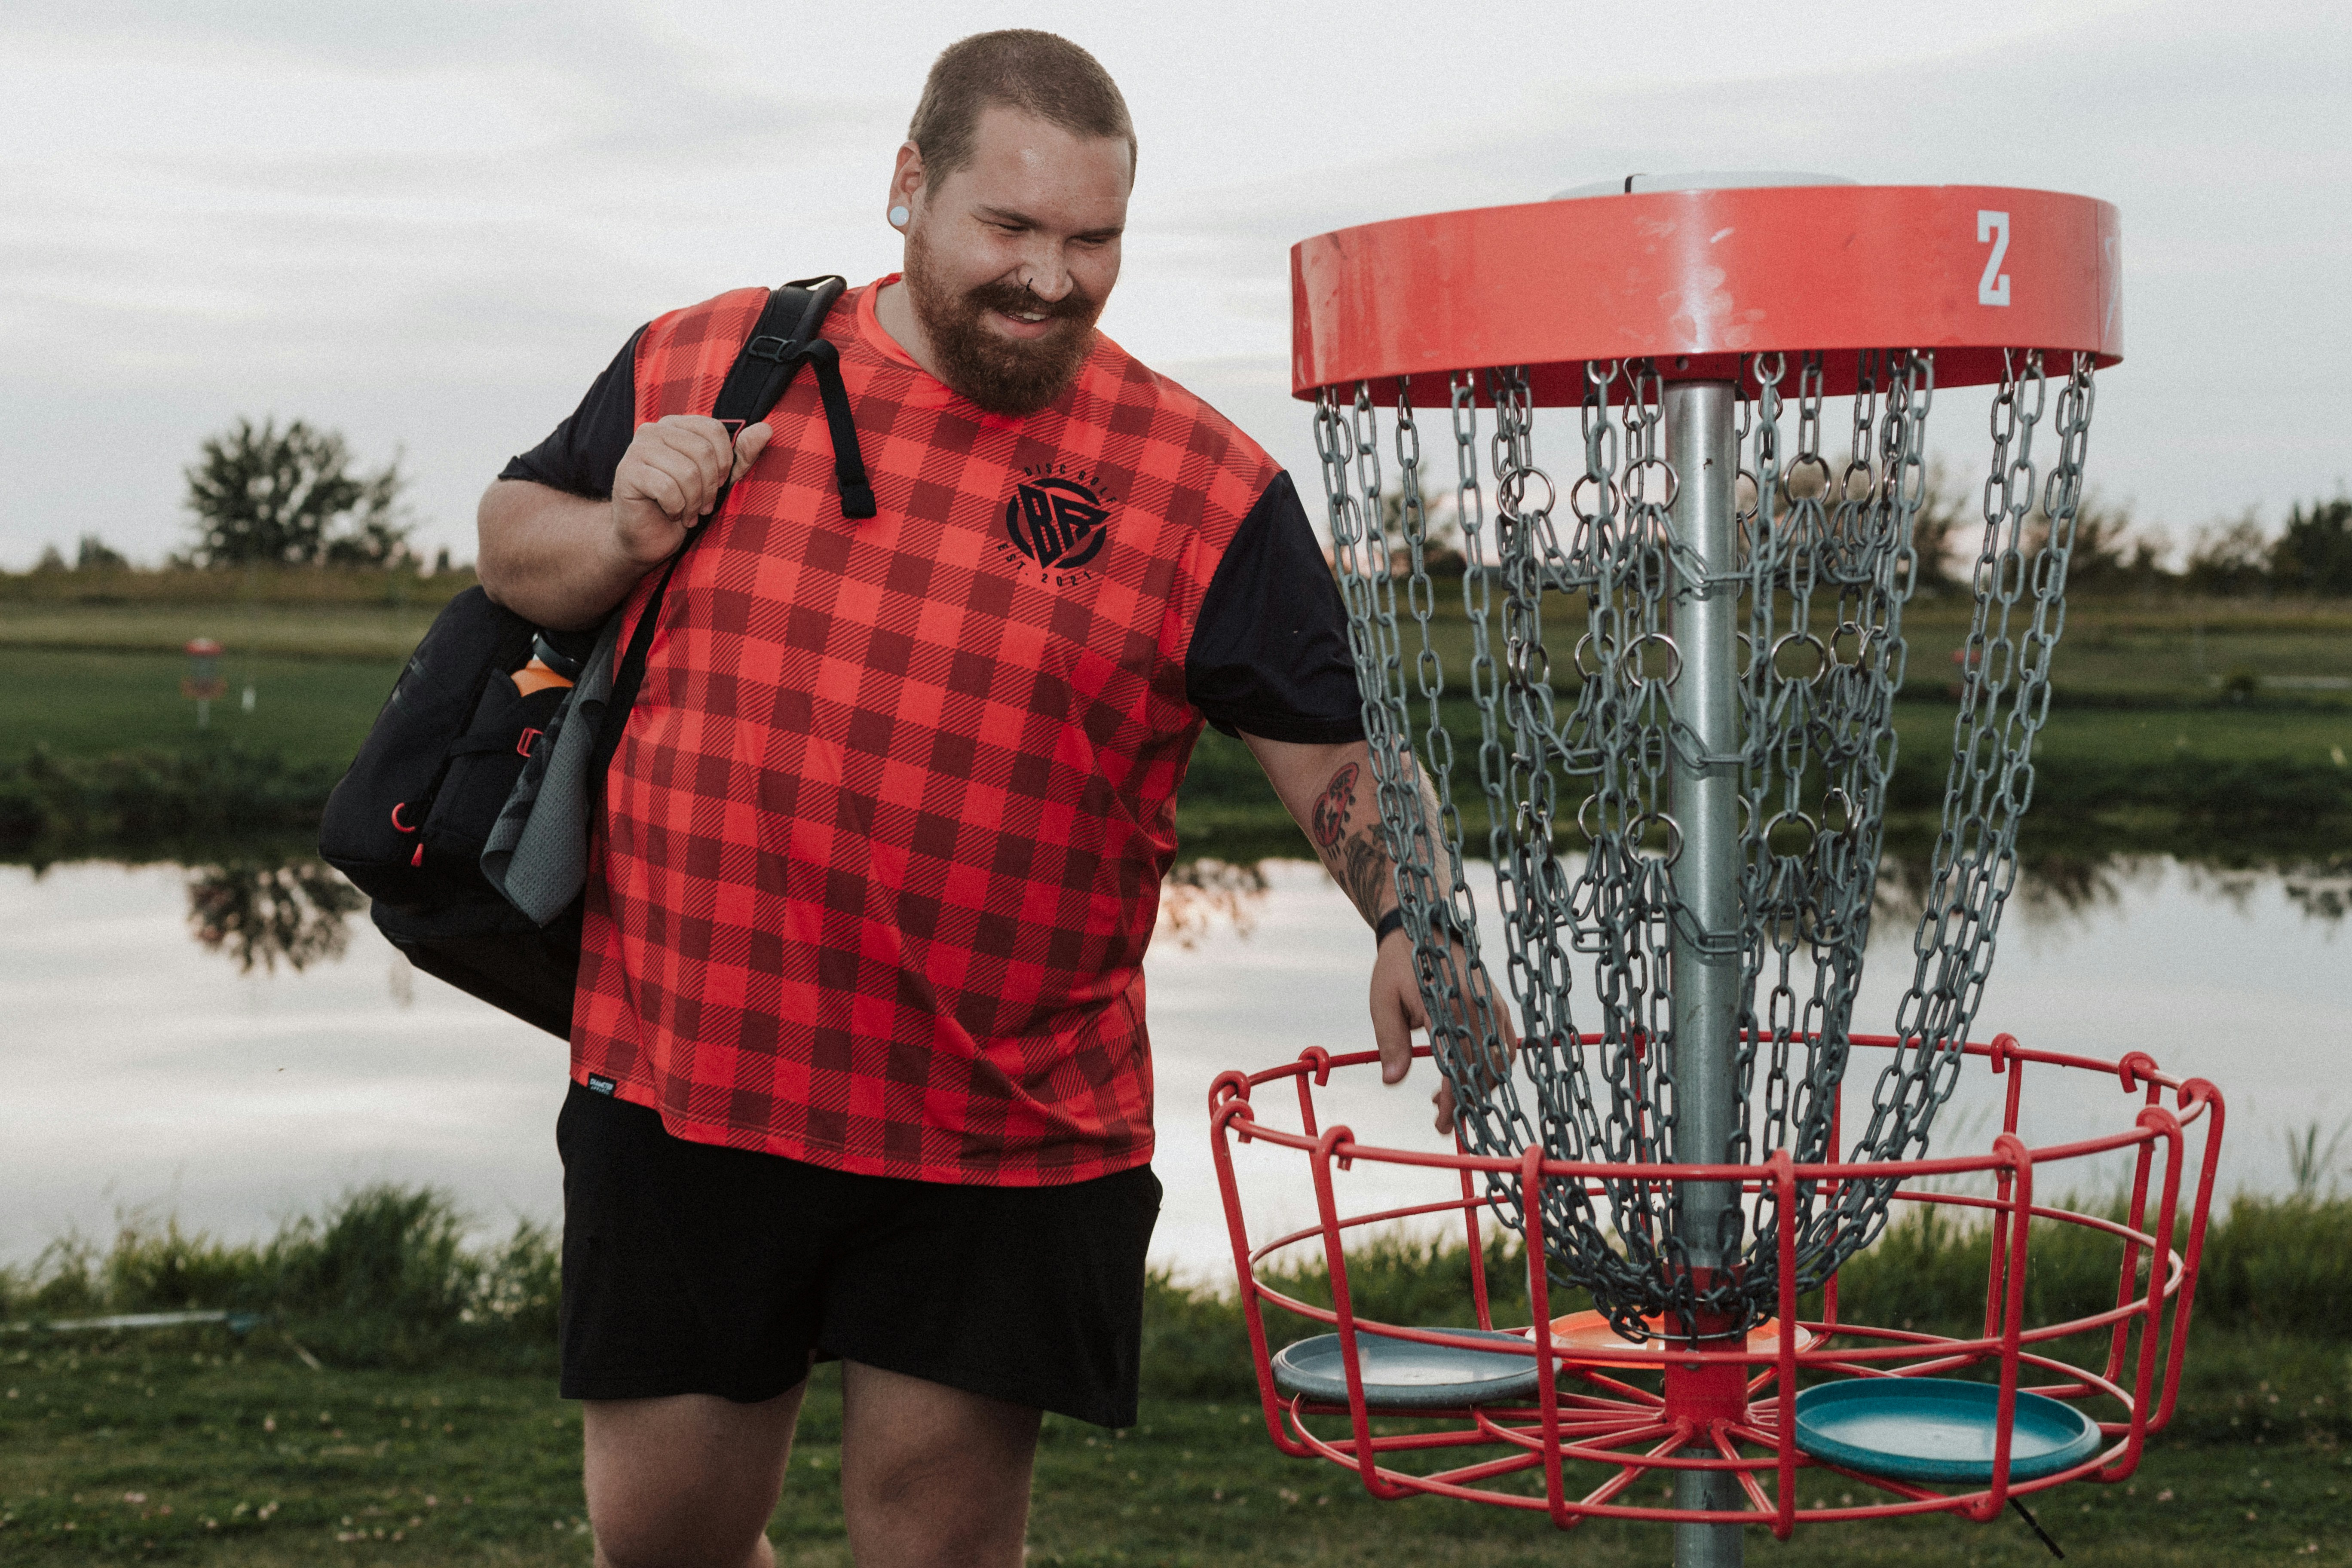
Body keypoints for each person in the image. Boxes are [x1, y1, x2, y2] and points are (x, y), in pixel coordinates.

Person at [476, 29, 1499, 1568]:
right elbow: (510, 539)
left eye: (1094, 242)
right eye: (1009, 230)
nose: (1053, 280)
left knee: (936, 1555)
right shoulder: (709, 359)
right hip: (689, 1079)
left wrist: (1416, 912)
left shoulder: (1203, 485)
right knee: (665, 1544)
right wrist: (624, 530)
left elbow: (1333, 742)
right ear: (908, 189)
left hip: (996, 1122)